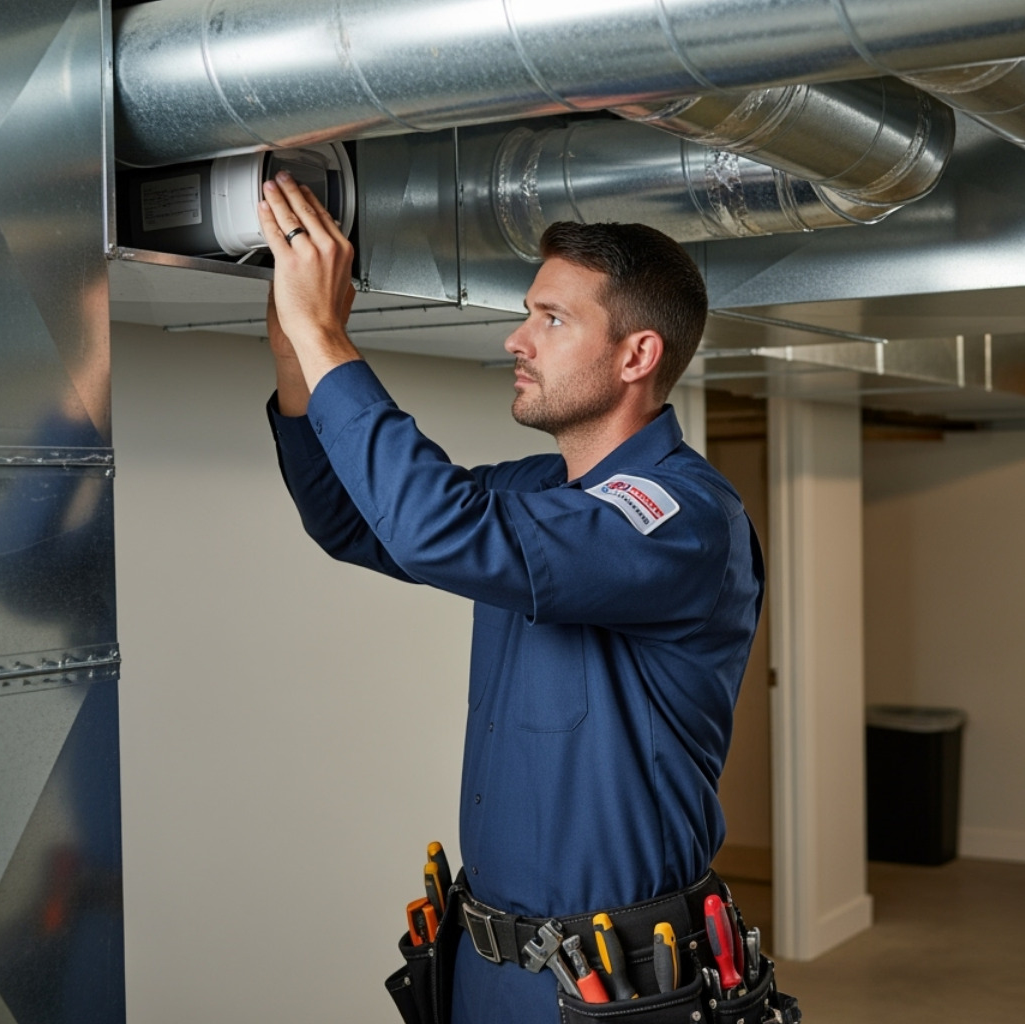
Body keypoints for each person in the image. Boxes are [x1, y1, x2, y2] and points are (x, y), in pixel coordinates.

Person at [258, 172, 764, 1024]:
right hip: (485, 966)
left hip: (616, 985)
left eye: (552, 319)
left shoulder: (680, 517)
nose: (516, 341)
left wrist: (328, 331)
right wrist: (292, 343)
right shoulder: (539, 490)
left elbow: (436, 528)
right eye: (529, 312)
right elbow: (352, 520)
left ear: (637, 355)